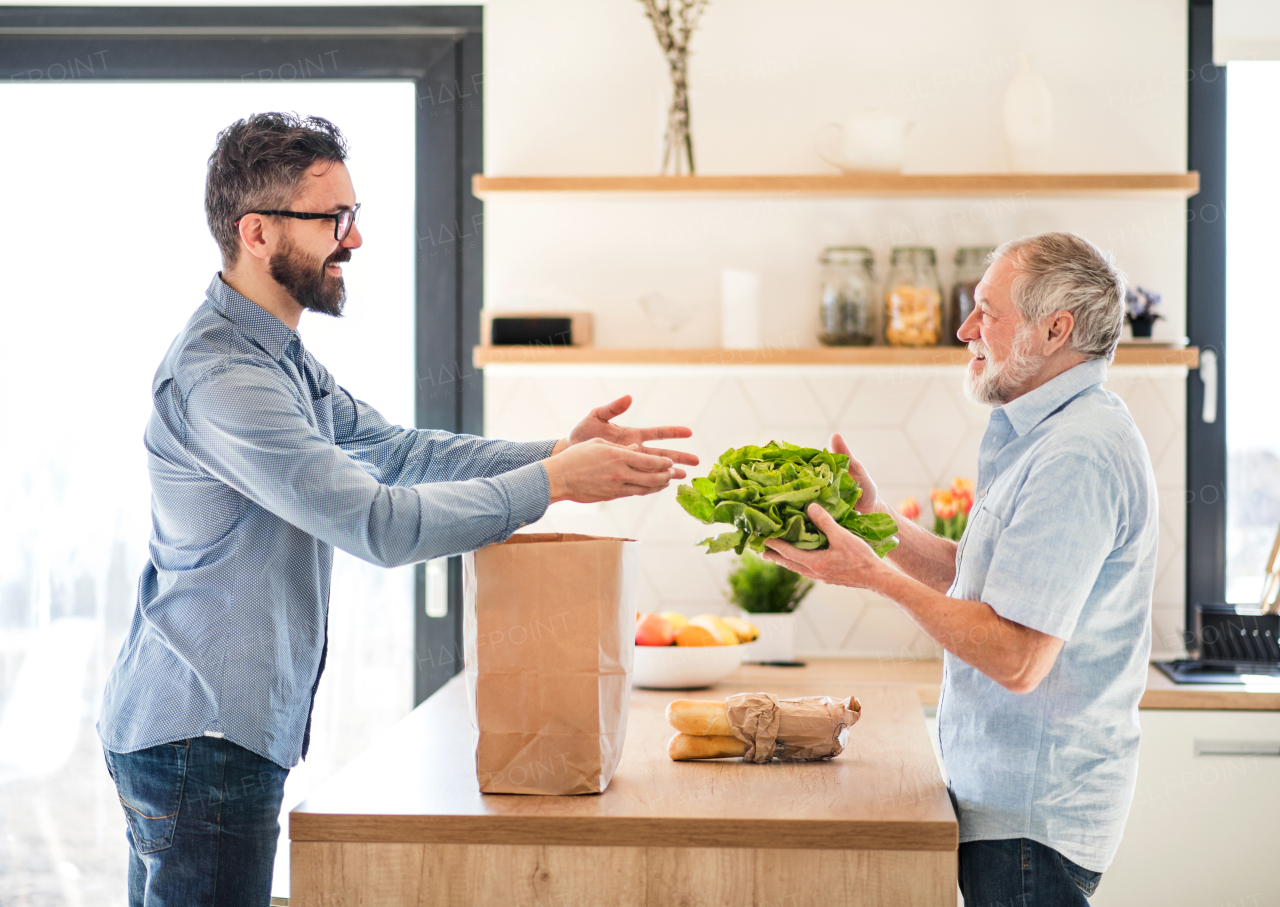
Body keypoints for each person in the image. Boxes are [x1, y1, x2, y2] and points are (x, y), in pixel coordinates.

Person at [97, 112, 698, 907]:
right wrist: (555, 484)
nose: (354, 239)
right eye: (333, 219)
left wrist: (555, 452)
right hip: (199, 740)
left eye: (354, 215)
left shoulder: (279, 361)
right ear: (257, 232)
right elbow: (377, 524)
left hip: (204, 735)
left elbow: (402, 452)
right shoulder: (227, 381)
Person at [764, 232, 1157, 906]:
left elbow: (1018, 655)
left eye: (986, 311)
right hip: (1012, 808)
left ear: (1055, 328)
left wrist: (873, 575)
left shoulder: (1078, 454)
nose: (964, 328)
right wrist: (873, 522)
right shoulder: (1043, 433)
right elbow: (984, 581)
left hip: (1033, 819)